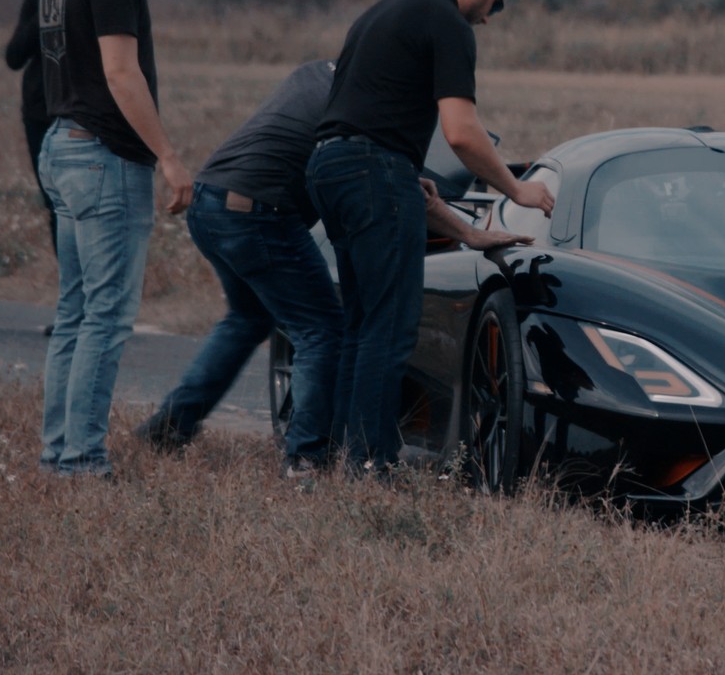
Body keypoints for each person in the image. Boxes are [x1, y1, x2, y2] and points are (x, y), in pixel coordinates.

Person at [136, 60, 530, 474]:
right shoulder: (363, 106)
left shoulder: (319, 74)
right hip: (259, 213)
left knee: (248, 319)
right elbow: (397, 187)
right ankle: (305, 458)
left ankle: (171, 426)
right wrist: (469, 232)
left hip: (211, 201)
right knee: (322, 330)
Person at [307, 0, 553, 475]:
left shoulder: (384, 9)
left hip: (330, 166)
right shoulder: (447, 22)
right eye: (497, 3)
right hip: (373, 170)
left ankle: (349, 460)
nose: (489, 18)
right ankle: (373, 465)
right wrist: (518, 190)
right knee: (391, 328)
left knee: (362, 323)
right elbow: (462, 133)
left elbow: (364, 107)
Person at [35, 0, 189, 478]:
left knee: (75, 312)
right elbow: (121, 72)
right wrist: (169, 157)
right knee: (106, 316)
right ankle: (81, 461)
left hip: (61, 145)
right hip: (104, 157)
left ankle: (59, 454)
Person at [3, 0, 56, 256]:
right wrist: (46, 10)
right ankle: (71, 285)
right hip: (39, 114)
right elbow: (14, 57)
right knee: (54, 204)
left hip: (80, 114)